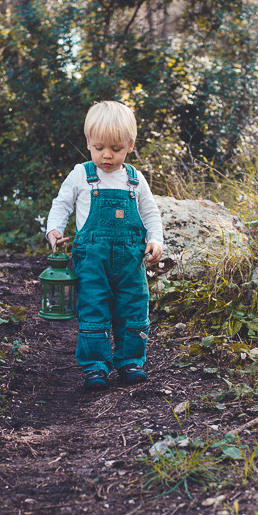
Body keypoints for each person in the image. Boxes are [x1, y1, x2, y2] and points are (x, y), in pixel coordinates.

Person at [46, 100, 163, 391]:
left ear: (130, 146)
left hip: (130, 263)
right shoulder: (82, 174)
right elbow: (61, 204)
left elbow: (150, 213)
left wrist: (155, 239)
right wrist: (54, 229)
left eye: (116, 148)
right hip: (92, 262)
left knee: (133, 308)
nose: (107, 155)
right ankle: (95, 366)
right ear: (88, 142)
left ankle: (130, 361)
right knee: (93, 308)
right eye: (99, 148)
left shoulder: (135, 180)